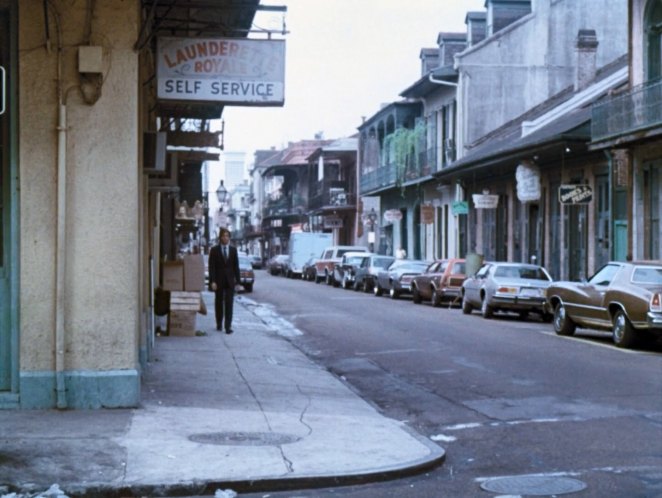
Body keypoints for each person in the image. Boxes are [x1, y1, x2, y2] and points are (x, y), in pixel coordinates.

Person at [208, 228, 241, 334]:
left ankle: (228, 326)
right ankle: (219, 323)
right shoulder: (214, 250)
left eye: (227, 236)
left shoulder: (233, 250)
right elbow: (211, 267)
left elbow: (236, 266)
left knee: (229, 304)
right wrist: (212, 281)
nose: (225, 238)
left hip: (230, 281)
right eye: (223, 236)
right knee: (219, 303)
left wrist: (238, 282)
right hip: (218, 280)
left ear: (229, 238)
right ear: (220, 237)